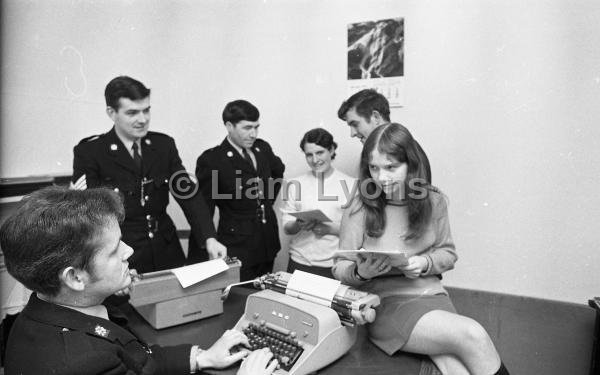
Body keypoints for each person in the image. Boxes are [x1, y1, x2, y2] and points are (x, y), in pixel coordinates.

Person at [0, 186, 277, 375]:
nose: (128, 251)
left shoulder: (53, 309)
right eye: (114, 249)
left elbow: (137, 360)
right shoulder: (82, 363)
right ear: (75, 277)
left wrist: (201, 357)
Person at [332, 123, 509, 375]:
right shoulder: (359, 204)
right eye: (374, 168)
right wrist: (361, 273)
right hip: (385, 304)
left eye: (391, 167)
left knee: (456, 368)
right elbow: (339, 267)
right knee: (473, 335)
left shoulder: (433, 200)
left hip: (432, 295)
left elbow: (448, 254)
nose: (381, 177)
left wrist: (424, 263)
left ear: (411, 164)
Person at [72, 76, 226, 274]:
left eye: (146, 110)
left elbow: (188, 194)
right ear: (112, 113)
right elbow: (90, 216)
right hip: (123, 255)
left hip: (167, 250)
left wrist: (209, 238)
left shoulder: (164, 146)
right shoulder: (91, 152)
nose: (143, 119)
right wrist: (108, 268)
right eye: (132, 113)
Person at [189, 100, 285, 281]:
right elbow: (203, 210)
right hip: (238, 245)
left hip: (267, 242)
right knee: (240, 299)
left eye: (257, 127)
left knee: (265, 296)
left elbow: (278, 170)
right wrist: (200, 259)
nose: (253, 134)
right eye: (247, 128)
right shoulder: (213, 160)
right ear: (229, 126)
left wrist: (266, 200)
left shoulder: (262, 148)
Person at [281, 128, 356, 278]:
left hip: (335, 265)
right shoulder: (294, 184)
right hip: (298, 262)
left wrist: (331, 229)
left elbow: (359, 232)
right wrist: (298, 224)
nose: (315, 160)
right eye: (309, 155)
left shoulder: (351, 185)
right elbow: (287, 228)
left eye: (320, 152)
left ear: (331, 150)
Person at [337, 88, 431, 183]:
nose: (352, 134)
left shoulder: (408, 148)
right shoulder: (371, 150)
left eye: (355, 124)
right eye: (374, 167)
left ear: (376, 117)